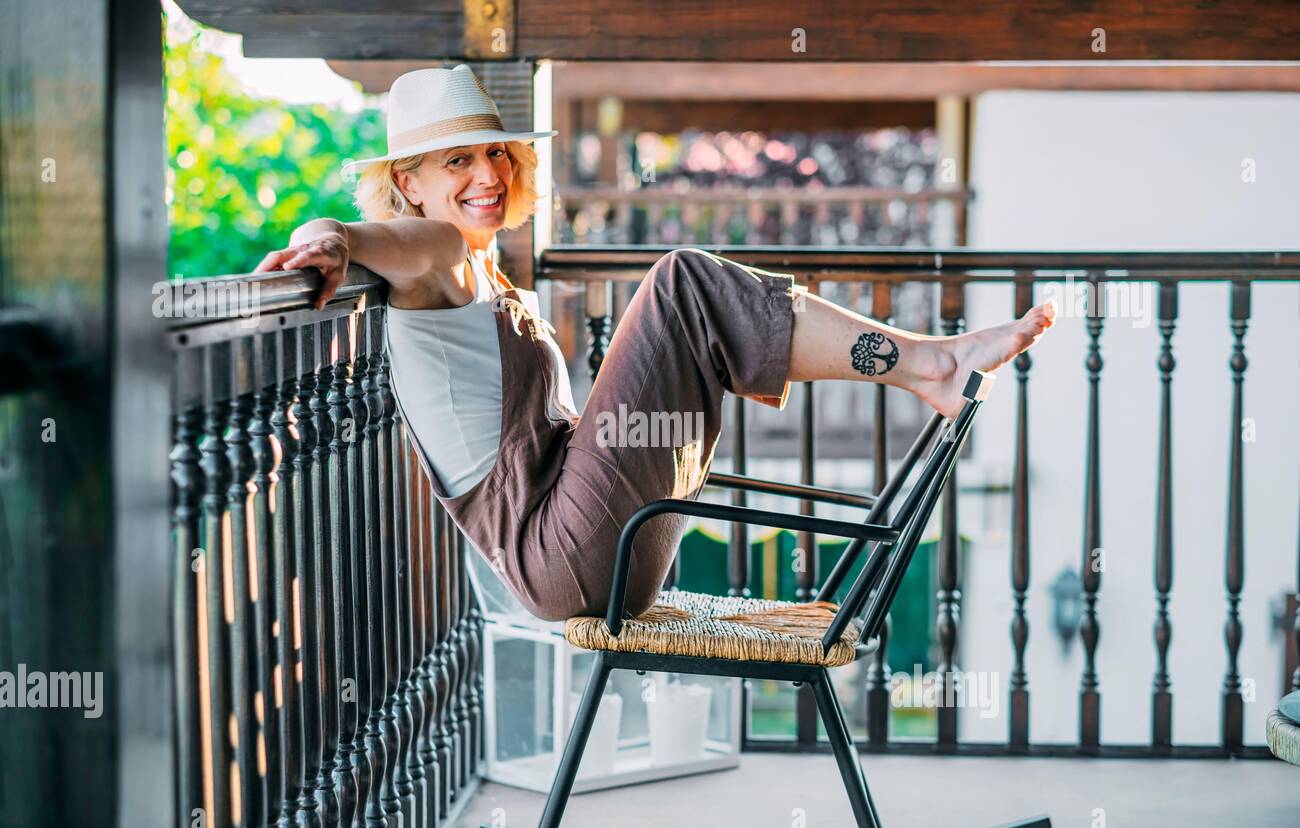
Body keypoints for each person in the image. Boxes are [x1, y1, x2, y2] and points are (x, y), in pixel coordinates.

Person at [256, 64, 1054, 622]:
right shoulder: (433, 249)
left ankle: (930, 365)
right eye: (455, 160)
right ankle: (931, 363)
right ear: (411, 184)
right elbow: (354, 237)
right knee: (683, 285)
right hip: (562, 556)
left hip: (599, 542)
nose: (487, 173)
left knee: (692, 306)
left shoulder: (486, 271)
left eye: (495, 151)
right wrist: (324, 243)